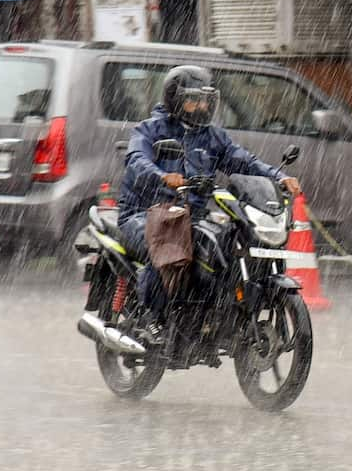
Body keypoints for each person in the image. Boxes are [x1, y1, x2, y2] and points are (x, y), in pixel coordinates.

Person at [117, 65, 302, 343]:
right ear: (175, 99)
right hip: (146, 214)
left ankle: (215, 315)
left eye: (206, 100)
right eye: (194, 100)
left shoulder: (211, 136)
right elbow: (136, 160)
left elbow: (243, 160)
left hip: (191, 216)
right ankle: (152, 317)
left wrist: (278, 176)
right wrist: (162, 176)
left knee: (227, 241)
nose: (201, 106)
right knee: (168, 244)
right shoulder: (150, 130)